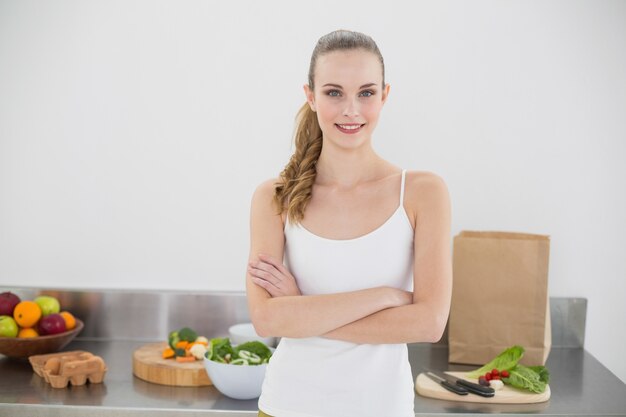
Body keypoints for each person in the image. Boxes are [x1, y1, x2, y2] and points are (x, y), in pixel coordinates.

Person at [246, 29, 452, 417]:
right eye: (334, 92)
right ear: (310, 95)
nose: (351, 110)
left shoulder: (423, 193)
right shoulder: (274, 198)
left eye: (366, 93)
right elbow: (267, 318)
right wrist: (384, 297)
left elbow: (429, 323)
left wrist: (301, 312)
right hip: (287, 406)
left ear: (385, 95)